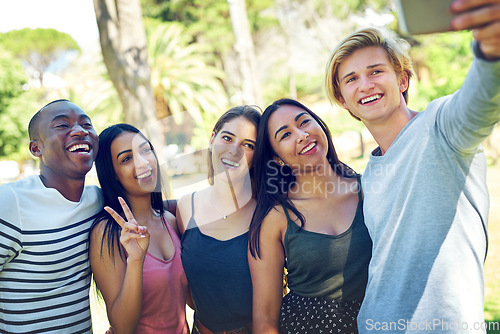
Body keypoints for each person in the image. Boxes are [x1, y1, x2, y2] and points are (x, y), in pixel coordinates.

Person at [324, 0, 500, 332]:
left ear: (402, 80)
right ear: (343, 99)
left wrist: (490, 50)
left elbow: (480, 103)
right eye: (351, 79)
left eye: (376, 71)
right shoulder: (369, 173)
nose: (365, 84)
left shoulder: (441, 126)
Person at [248, 98, 372, 334]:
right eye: (285, 135)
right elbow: (265, 319)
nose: (302, 135)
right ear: (277, 158)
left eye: (304, 122)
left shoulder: (368, 188)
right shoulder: (276, 218)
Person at [0, 99, 103, 333]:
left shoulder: (97, 202)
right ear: (36, 148)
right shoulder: (11, 202)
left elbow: (150, 211)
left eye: (86, 124)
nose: (79, 130)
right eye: (62, 125)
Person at [89, 123, 189, 333]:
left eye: (145, 150)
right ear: (112, 173)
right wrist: (135, 260)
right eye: (126, 158)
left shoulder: (170, 220)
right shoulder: (107, 232)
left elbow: (190, 300)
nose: (143, 163)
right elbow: (122, 327)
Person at [176, 105, 261, 334]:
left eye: (248, 145)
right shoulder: (186, 207)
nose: (235, 150)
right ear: (212, 139)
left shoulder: (265, 213)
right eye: (227, 137)